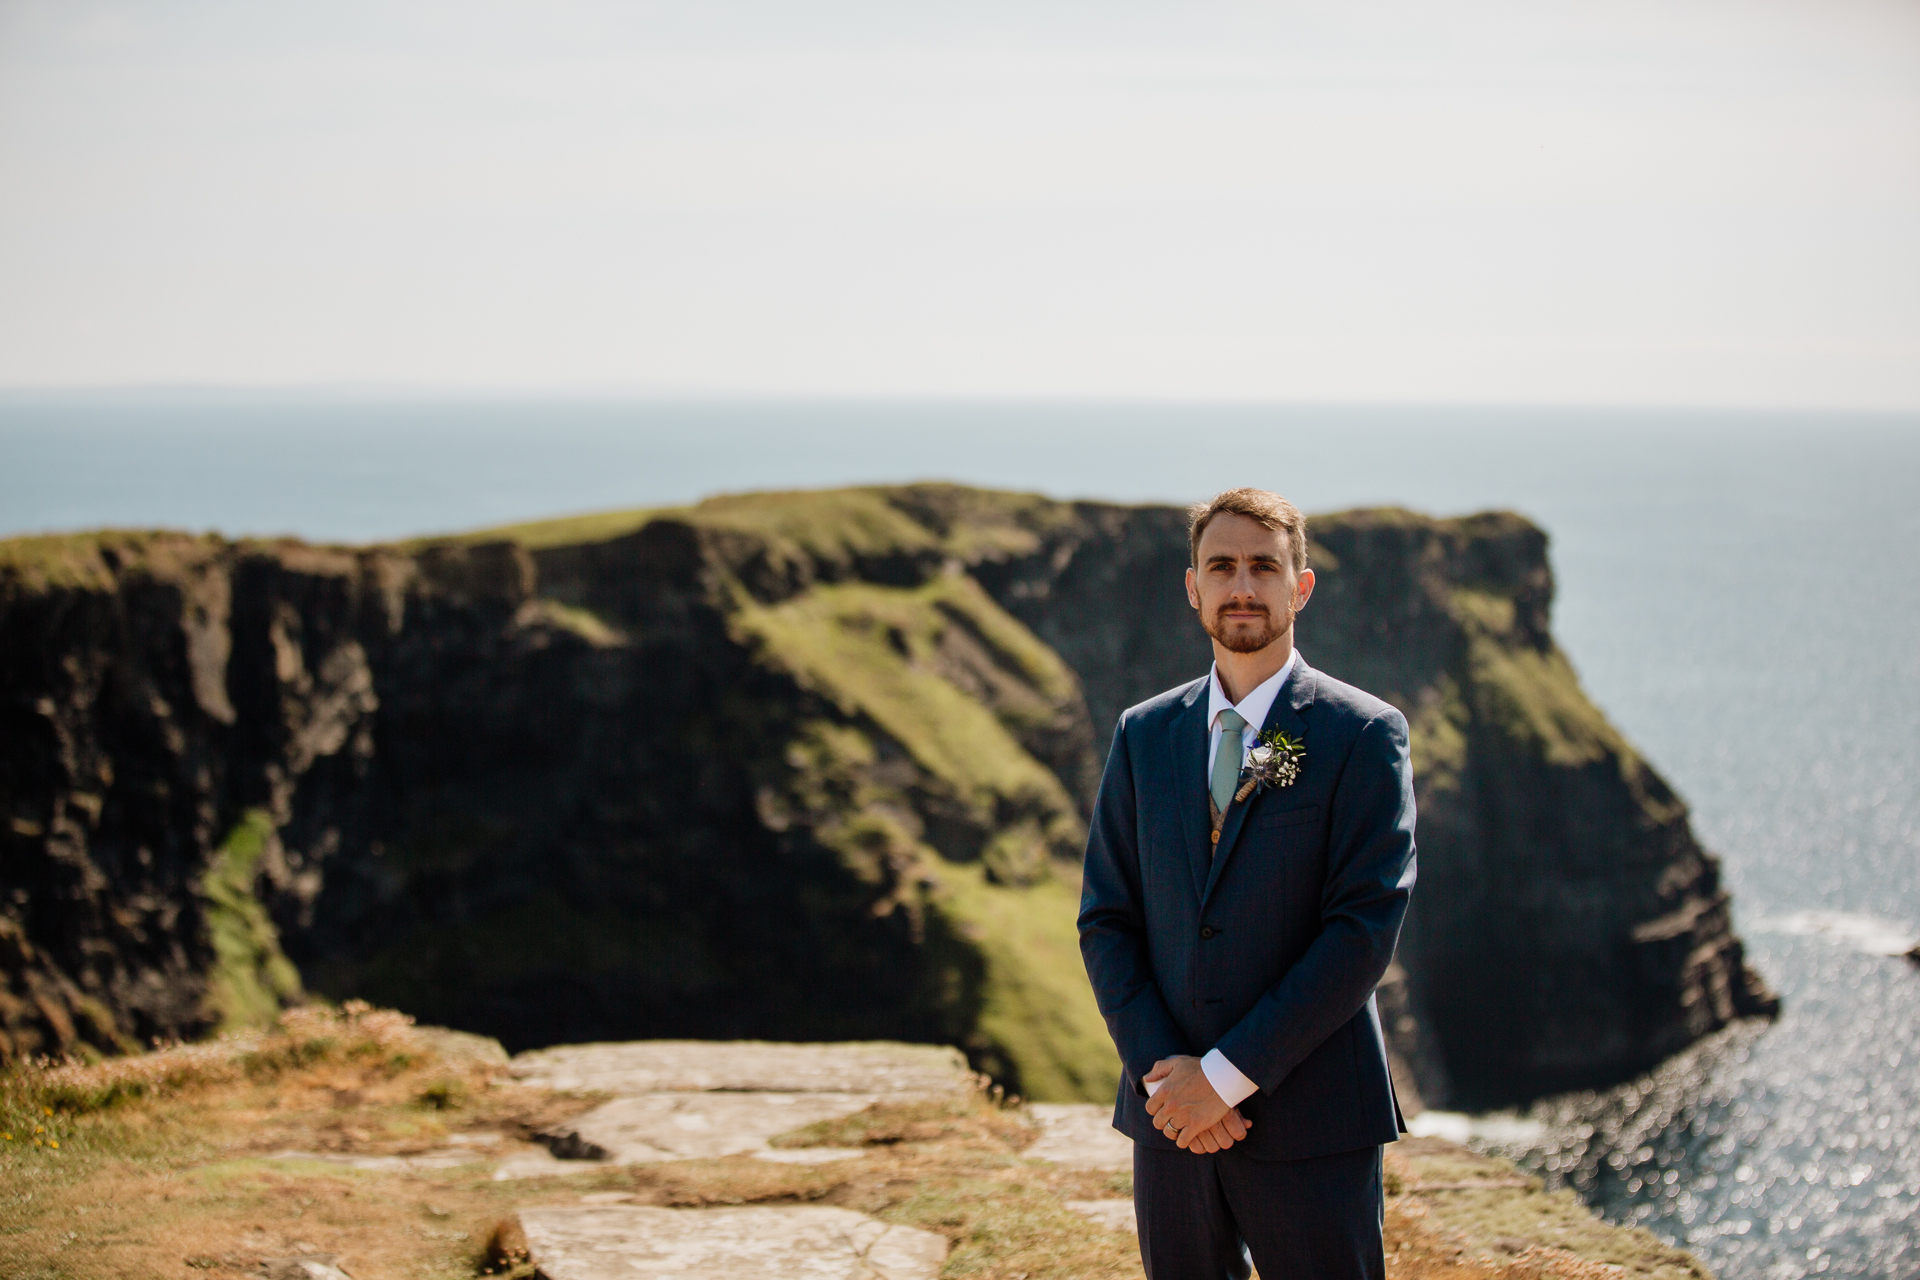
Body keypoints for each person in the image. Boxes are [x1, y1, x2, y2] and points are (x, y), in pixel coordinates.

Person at [1077, 487, 1417, 1280]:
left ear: (1299, 586)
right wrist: (1168, 1076)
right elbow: (1107, 919)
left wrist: (1224, 1080)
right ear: (1192, 587)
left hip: (1314, 1120)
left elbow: (1361, 931)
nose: (1241, 586)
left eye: (1263, 567)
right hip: (1170, 1123)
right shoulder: (1143, 733)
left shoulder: (1363, 733)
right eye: (1221, 566)